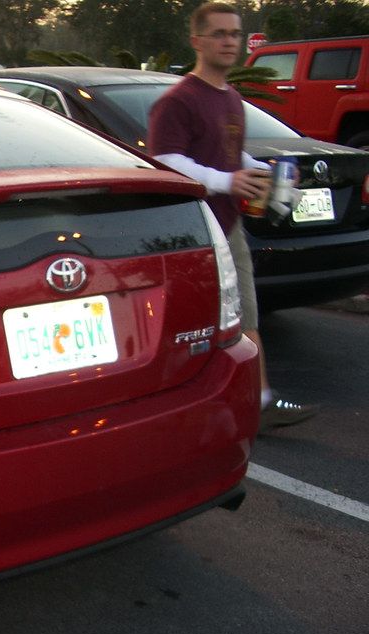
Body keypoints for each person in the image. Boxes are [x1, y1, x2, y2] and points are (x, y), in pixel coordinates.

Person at [148, 1, 318, 432]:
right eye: (220, 34)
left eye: (235, 34)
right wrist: (228, 182)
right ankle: (170, 409)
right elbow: (165, 161)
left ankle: (259, 401)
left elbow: (227, 152)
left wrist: (260, 173)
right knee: (185, 328)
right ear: (197, 40)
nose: (229, 42)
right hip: (190, 233)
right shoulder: (177, 100)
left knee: (245, 316)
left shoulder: (232, 99)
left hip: (229, 226)